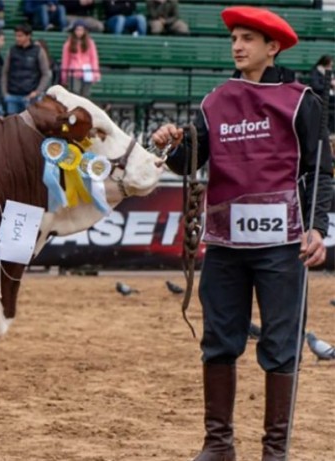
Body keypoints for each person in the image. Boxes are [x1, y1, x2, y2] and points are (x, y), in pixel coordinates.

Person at [151, 7, 333, 461]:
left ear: (272, 48)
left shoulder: (302, 100)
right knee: (219, 342)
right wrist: (171, 143)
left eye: (248, 38)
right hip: (225, 246)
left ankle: (275, 452)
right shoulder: (214, 102)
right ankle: (218, 445)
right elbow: (188, 163)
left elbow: (321, 173)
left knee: (280, 346)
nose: (237, 46)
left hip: (284, 246)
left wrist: (317, 228)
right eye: (234, 37)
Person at [1, 23, 50, 115]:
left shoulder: (38, 51)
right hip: (12, 94)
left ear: (28, 36)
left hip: (30, 96)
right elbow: (5, 72)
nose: (17, 38)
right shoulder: (11, 50)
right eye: (16, 36)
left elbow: (45, 74)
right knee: (12, 126)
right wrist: (5, 93)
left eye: (20, 36)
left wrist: (37, 92)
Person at [61, 20, 100, 97]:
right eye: (77, 30)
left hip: (87, 71)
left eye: (81, 30)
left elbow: (94, 59)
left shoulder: (90, 43)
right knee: (75, 93)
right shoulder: (68, 44)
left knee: (86, 94)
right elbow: (65, 61)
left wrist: (95, 73)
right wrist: (64, 76)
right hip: (74, 72)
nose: (79, 32)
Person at [309, 54, 334, 133]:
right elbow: (315, 86)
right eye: (330, 63)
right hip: (320, 95)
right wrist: (329, 85)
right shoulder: (316, 71)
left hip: (329, 95)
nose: (332, 64)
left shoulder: (330, 71)